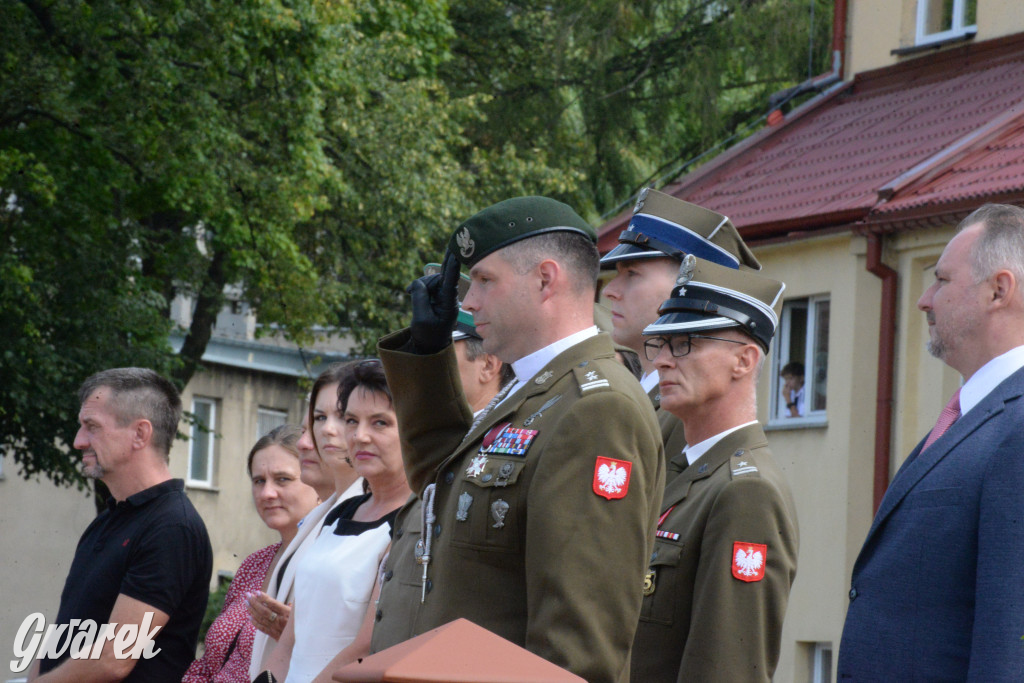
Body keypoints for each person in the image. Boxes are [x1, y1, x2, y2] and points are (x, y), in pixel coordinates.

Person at [375, 196, 665, 683]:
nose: (467, 302)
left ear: (546, 279)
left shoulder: (596, 407)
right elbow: (438, 478)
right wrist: (427, 353)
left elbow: (579, 642)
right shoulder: (529, 393)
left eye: (485, 280)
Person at [838, 204, 1024, 680]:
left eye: (941, 280)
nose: (924, 299)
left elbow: (1009, 636)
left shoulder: (1017, 427)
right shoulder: (973, 417)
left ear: (999, 290)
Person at [632, 256, 798, 682]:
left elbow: (727, 667)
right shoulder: (676, 471)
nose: (664, 360)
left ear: (743, 360)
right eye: (661, 344)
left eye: (686, 342)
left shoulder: (746, 492)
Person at [32, 368, 212, 682]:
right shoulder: (109, 519)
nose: (78, 441)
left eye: (91, 427)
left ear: (140, 434)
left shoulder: (171, 528)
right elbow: (65, 631)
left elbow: (113, 660)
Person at [370, 293, 510, 653]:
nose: (426, 362)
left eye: (442, 350)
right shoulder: (442, 442)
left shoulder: (500, 442)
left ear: (489, 365)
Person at [601, 187, 760, 478]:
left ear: (686, 285)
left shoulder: (682, 409)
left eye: (631, 274)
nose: (610, 290)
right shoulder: (644, 394)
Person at [266, 361, 409, 683]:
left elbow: (368, 646)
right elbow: (290, 641)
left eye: (380, 423)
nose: (359, 436)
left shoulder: (414, 523)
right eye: (351, 421)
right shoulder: (339, 513)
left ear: (414, 427)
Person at [246, 365, 364, 679]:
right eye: (316, 421)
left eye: (340, 418)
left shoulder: (378, 520)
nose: (305, 442)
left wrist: (299, 632)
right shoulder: (322, 517)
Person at [182, 425, 319, 682]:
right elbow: (211, 664)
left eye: (283, 479)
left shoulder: (326, 564)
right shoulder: (255, 563)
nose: (267, 493)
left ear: (317, 480)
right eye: (259, 481)